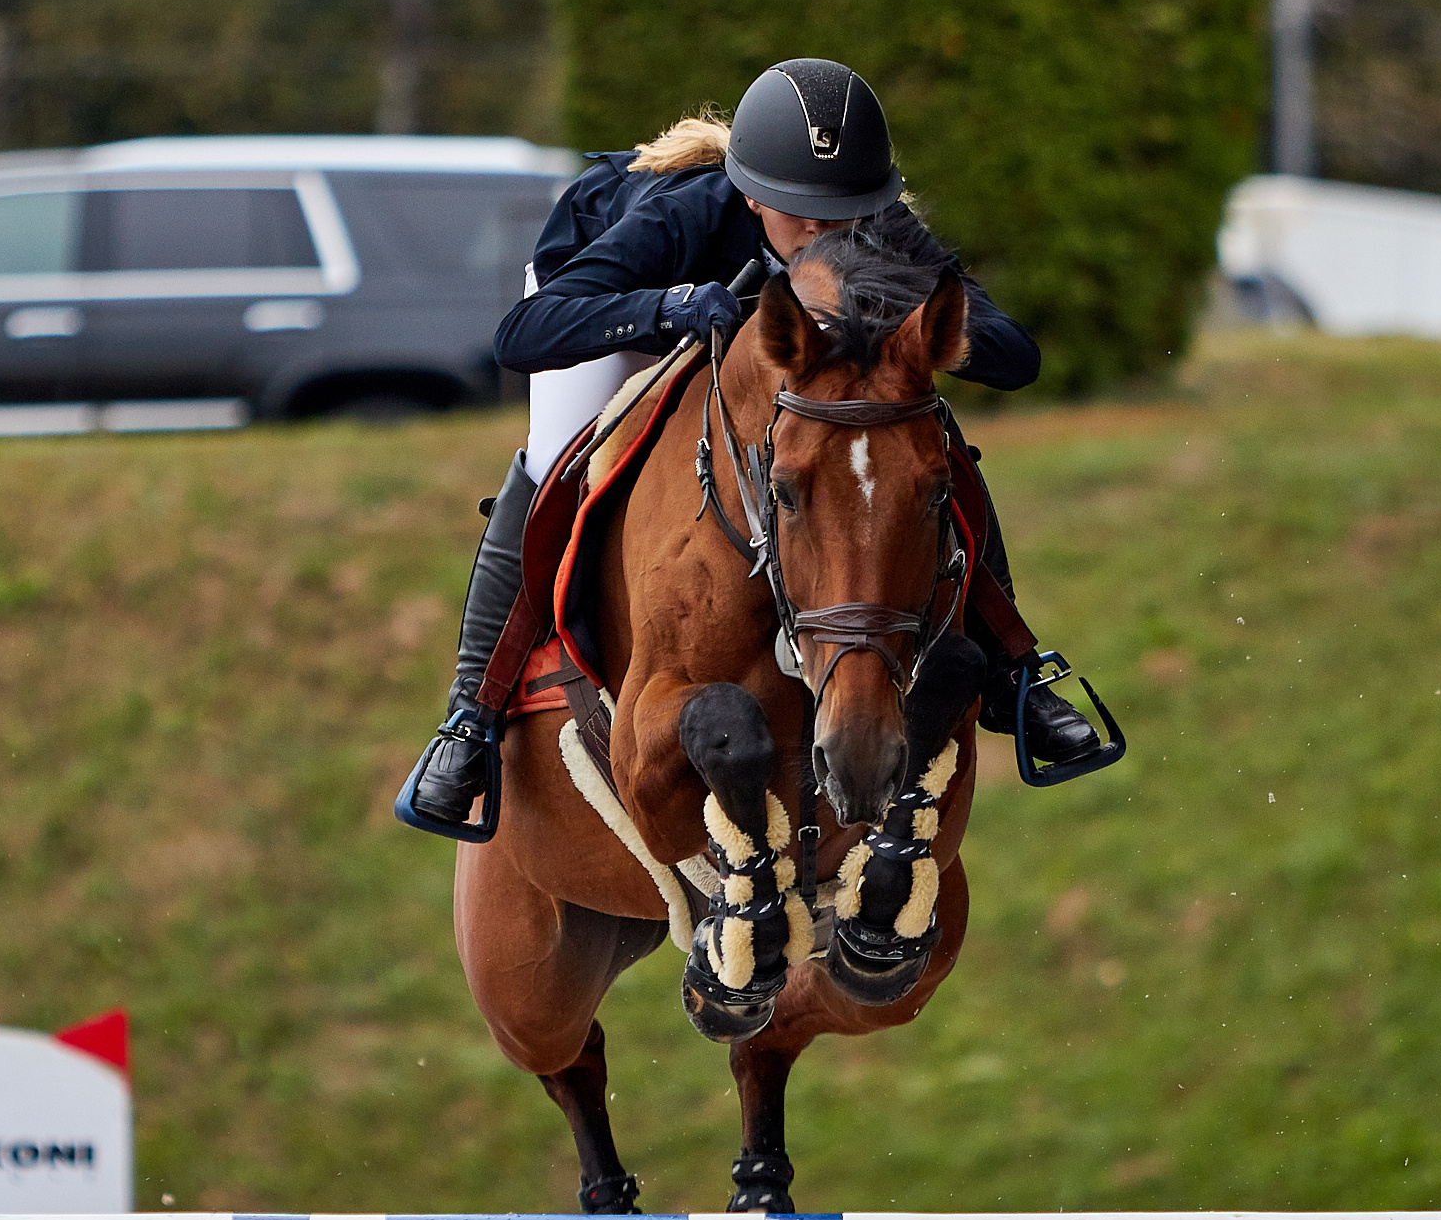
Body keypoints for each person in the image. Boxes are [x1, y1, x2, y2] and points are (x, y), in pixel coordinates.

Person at [401, 56, 1109, 835]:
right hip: (623, 298)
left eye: (841, 216)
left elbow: (1016, 353)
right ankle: (473, 713)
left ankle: (1016, 670)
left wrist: (922, 328)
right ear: (749, 196)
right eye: (799, 216)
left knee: (921, 432)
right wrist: (671, 306)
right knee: (557, 457)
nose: (820, 235)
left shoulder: (877, 232)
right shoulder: (685, 216)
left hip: (775, 346)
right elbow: (519, 336)